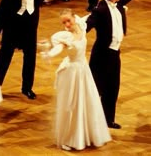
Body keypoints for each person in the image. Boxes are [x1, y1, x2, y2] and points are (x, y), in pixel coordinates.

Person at [40, 9, 111, 151]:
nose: (66, 24)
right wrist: (48, 53)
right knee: (72, 105)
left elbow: (90, 15)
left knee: (87, 101)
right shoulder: (66, 37)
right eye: (64, 22)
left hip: (83, 69)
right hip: (71, 73)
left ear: (74, 18)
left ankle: (89, 134)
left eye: (68, 20)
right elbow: (58, 49)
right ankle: (71, 138)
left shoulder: (81, 25)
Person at [86, 0, 151, 129]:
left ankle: (108, 120)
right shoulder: (100, 9)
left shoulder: (118, 2)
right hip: (102, 56)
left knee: (112, 88)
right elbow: (89, 23)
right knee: (96, 88)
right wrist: (77, 29)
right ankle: (89, 119)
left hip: (115, 54)